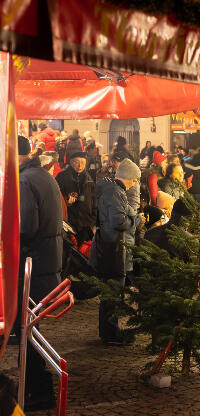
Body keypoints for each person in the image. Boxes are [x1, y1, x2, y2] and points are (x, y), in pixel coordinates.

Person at [16, 135, 63, 411]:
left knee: (25, 330)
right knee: (29, 330)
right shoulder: (41, 175)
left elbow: (25, 226)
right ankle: (38, 387)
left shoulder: (24, 180)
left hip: (32, 266)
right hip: (47, 262)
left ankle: (39, 390)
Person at [91, 159, 142, 344]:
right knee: (112, 294)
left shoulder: (112, 190)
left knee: (111, 293)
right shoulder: (115, 192)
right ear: (129, 177)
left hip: (112, 247)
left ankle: (110, 332)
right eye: (135, 180)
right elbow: (118, 222)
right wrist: (136, 221)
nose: (135, 184)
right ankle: (110, 334)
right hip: (113, 249)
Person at [55, 151, 97, 245]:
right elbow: (56, 197)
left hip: (86, 223)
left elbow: (94, 201)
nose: (80, 165)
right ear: (71, 162)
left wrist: (93, 221)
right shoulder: (62, 177)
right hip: (69, 222)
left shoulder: (89, 178)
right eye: (77, 162)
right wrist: (66, 200)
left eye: (83, 162)